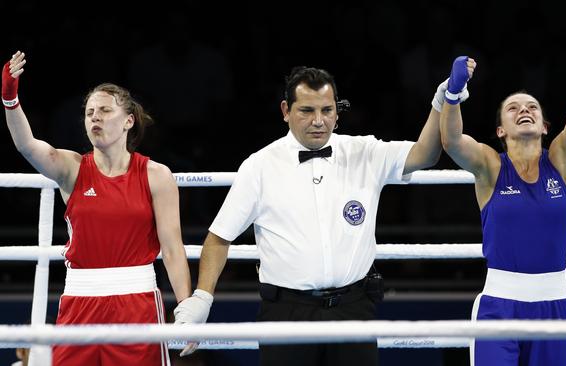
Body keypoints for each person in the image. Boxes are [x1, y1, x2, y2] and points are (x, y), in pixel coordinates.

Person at [173, 66, 469, 365]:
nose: (318, 121)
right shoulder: (260, 166)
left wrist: (443, 102)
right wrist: (202, 298)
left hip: (353, 309)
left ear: (337, 112)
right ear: (285, 111)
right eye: (307, 111)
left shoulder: (364, 151)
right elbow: (220, 237)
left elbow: (425, 155)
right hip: (286, 313)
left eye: (327, 110)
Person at [439, 11, 566, 366]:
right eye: (513, 108)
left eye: (532, 106)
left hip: (554, 303)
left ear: (545, 126)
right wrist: (453, 93)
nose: (524, 109)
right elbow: (452, 141)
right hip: (498, 306)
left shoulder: (563, 160)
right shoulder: (491, 166)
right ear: (501, 130)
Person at [2, 51, 192, 365]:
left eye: (104, 110)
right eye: (90, 112)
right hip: (80, 301)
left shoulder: (156, 175)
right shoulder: (72, 169)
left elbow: (172, 248)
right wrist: (10, 99)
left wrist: (185, 309)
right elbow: (26, 145)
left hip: (137, 302)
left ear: (129, 121)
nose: (95, 117)